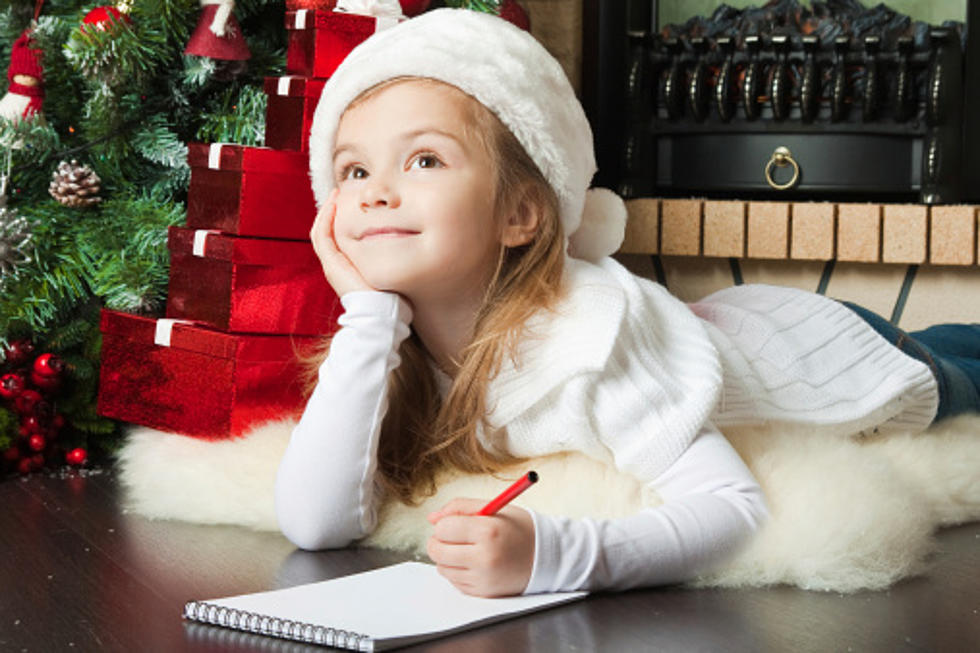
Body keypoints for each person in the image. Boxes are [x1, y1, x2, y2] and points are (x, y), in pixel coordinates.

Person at [275, 9, 979, 598]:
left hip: (825, 349)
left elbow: (733, 506)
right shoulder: (384, 338)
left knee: (955, 365)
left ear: (522, 212)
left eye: (424, 159)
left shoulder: (585, 342)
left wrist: (553, 555)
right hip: (718, 322)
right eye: (354, 170)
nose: (374, 191)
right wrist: (365, 311)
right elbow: (314, 521)